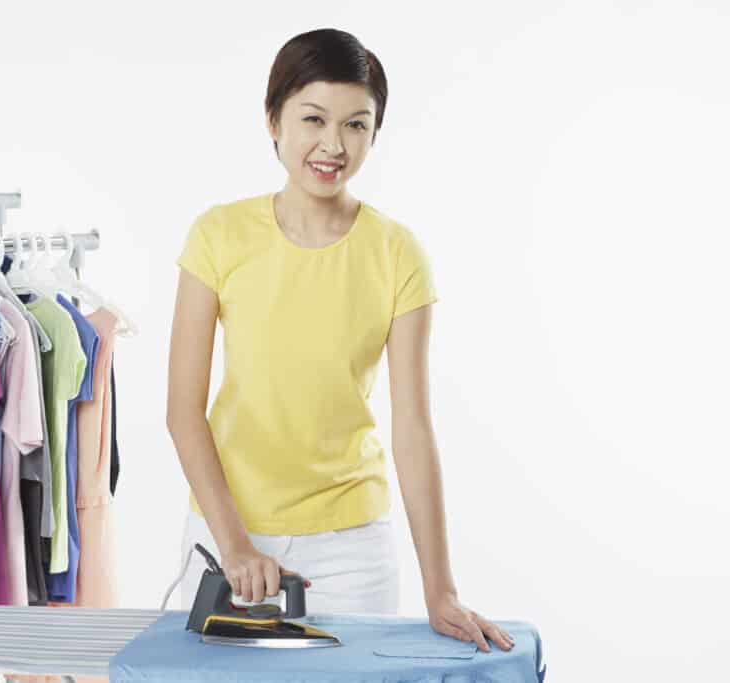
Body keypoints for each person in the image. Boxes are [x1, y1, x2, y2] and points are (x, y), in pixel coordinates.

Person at [165, 28, 514, 654]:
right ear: (273, 121)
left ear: (375, 133)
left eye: (356, 125)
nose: (333, 145)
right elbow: (183, 411)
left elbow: (412, 428)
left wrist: (441, 589)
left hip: (352, 547)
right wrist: (235, 543)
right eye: (313, 119)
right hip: (227, 535)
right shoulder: (218, 235)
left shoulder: (397, 252)